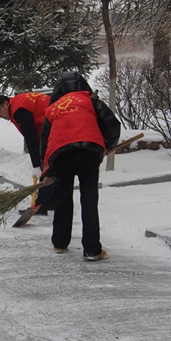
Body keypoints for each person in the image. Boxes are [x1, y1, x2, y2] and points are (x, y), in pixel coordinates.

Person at [40, 90, 121, 261]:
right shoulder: (89, 100)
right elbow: (112, 123)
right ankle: (92, 250)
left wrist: (48, 172)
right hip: (88, 151)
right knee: (89, 200)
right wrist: (108, 145)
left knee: (63, 197)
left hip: (61, 154)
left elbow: (46, 142)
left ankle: (60, 244)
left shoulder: (53, 107)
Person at [0, 92, 54, 215]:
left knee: (46, 166)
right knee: (50, 165)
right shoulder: (18, 104)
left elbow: (31, 138)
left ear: (5, 104)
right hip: (52, 126)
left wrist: (36, 165)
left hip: (56, 125)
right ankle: (49, 202)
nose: (0, 116)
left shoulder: (19, 110)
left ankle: (42, 204)